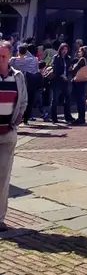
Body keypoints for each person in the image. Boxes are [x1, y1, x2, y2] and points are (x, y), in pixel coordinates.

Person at [0, 42, 28, 232]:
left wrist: (15, 122)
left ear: (10, 56)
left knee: (3, 178)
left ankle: (0, 218)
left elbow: (23, 100)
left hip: (7, 133)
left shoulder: (17, 77)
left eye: (2, 56)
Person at [47, 42, 74, 124]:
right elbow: (55, 68)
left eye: (66, 49)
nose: (65, 51)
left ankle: (68, 116)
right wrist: (61, 74)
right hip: (57, 80)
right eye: (63, 49)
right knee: (55, 99)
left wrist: (70, 69)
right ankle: (54, 117)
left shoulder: (68, 58)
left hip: (65, 81)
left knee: (67, 98)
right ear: (60, 49)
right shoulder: (56, 57)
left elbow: (69, 67)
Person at [70, 44, 87, 125]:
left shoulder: (82, 59)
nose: (78, 53)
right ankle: (82, 117)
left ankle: (81, 118)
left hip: (79, 81)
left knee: (79, 100)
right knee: (81, 98)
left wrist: (72, 67)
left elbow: (74, 69)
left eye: (80, 51)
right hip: (83, 81)